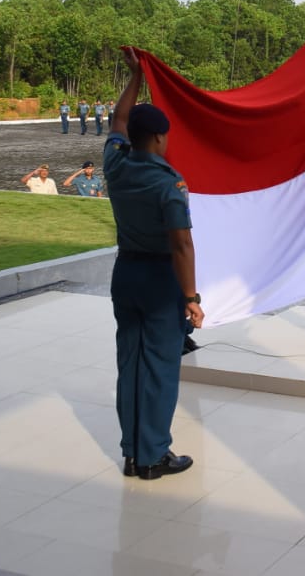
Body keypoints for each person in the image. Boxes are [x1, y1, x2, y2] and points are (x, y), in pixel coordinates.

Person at [105, 46, 204, 480]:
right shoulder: (169, 184)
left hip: (125, 274)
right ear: (161, 138)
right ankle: (154, 456)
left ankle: (132, 453)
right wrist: (191, 297)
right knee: (160, 367)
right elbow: (181, 244)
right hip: (160, 281)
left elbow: (117, 120)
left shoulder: (115, 164)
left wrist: (135, 77)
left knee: (130, 364)